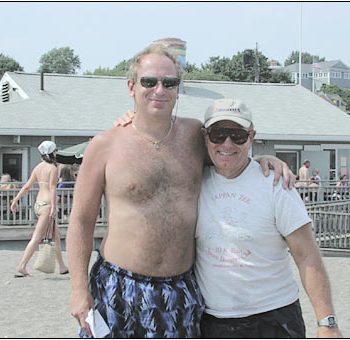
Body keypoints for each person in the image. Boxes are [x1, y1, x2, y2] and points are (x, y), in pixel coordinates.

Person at [67, 44, 293, 338]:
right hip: (118, 286)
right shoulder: (104, 146)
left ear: (178, 89)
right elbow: (81, 220)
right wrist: (78, 290)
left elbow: (228, 152)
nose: (159, 90)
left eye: (169, 83)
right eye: (149, 81)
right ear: (131, 86)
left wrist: (264, 159)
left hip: (180, 290)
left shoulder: (195, 136)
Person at [196, 99, 342, 338]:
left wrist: (327, 324)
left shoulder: (276, 184)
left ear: (251, 137)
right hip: (212, 321)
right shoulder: (193, 181)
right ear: (205, 137)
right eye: (218, 134)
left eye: (238, 135)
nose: (227, 143)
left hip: (273, 318)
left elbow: (306, 255)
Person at [10, 141, 68, 277]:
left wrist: (16, 199)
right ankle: (22, 266)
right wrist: (54, 207)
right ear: (52, 153)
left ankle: (62, 267)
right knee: (36, 237)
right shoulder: (53, 168)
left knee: (56, 236)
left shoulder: (38, 167)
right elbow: (53, 188)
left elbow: (27, 186)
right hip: (48, 205)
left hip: (39, 204)